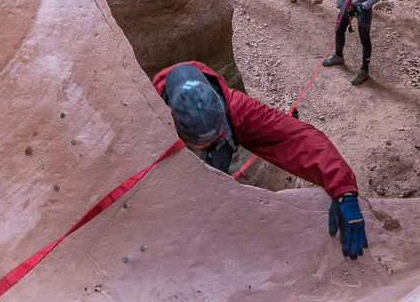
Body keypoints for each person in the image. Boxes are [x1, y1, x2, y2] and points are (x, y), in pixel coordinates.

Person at [152, 61, 368, 259]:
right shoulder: (152, 122)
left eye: (217, 135)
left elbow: (299, 139)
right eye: (203, 143)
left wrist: (344, 190)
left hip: (219, 138)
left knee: (219, 154)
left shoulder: (237, 107)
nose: (211, 143)